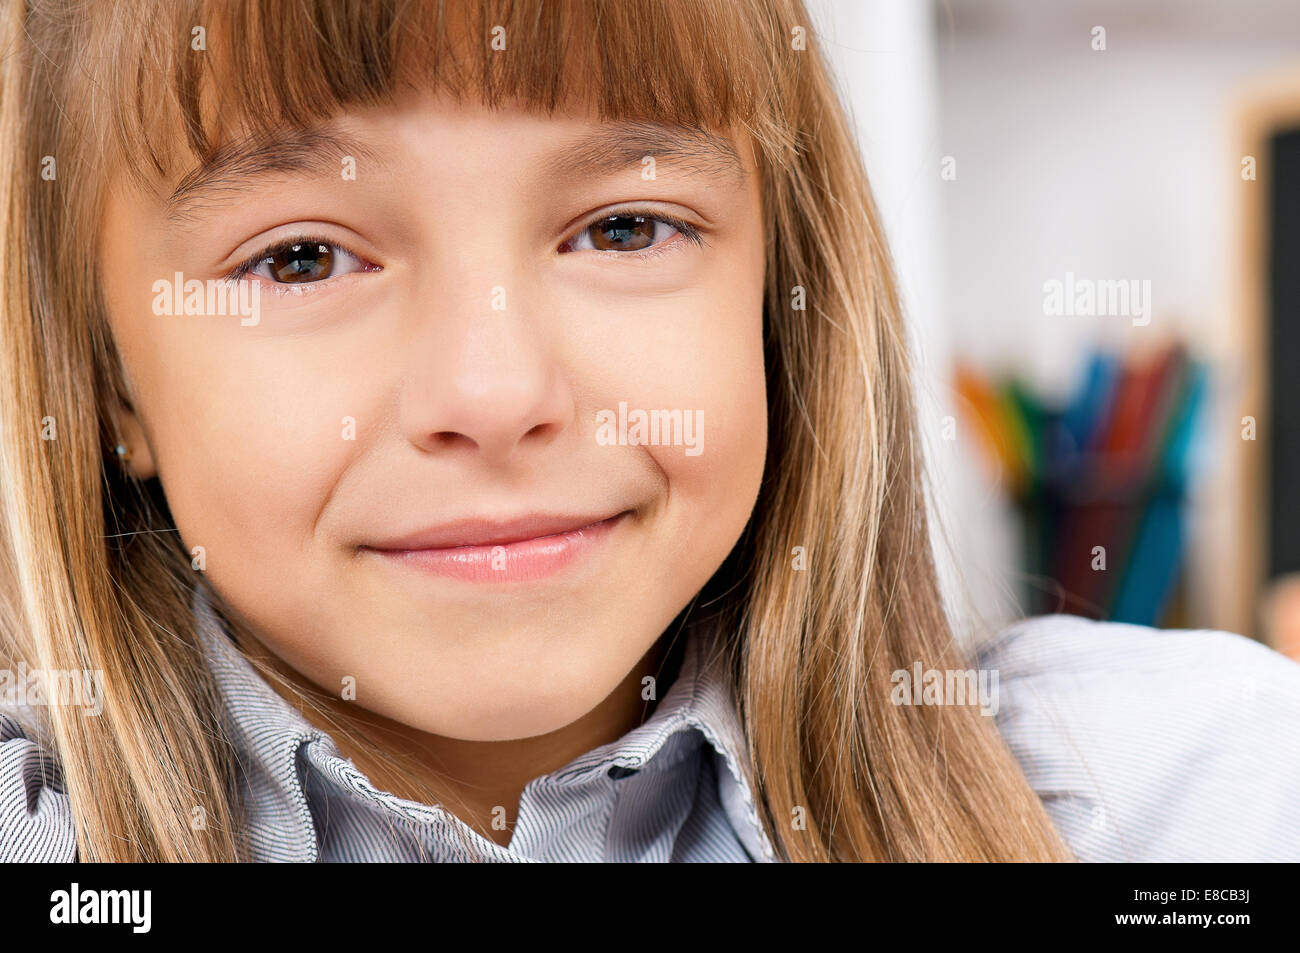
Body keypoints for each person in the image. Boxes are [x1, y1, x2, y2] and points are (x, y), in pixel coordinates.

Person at [1, 0, 1297, 863]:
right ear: (112, 381)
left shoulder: (1185, 799)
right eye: (297, 257)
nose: (496, 391)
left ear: (782, 299)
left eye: (623, 227)